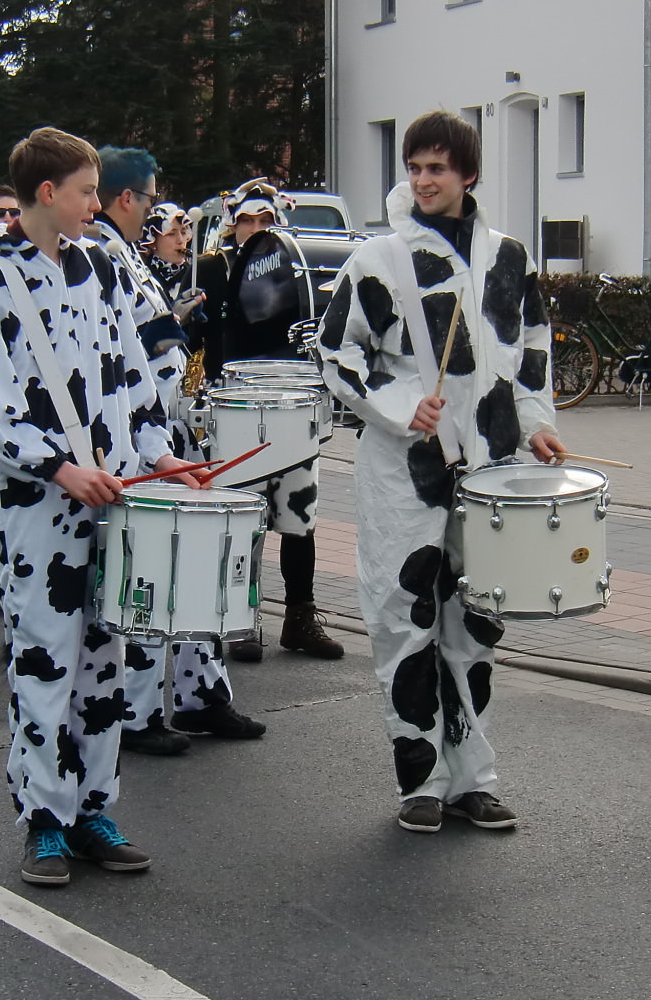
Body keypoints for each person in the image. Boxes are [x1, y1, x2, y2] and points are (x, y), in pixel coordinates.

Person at [0, 126, 207, 887]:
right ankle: (44, 819)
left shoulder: (99, 268)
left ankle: (94, 808)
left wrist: (158, 455)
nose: (98, 205)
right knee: (44, 660)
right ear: (47, 192)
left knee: (104, 657)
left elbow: (131, 374)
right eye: (87, 191)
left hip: (112, 496)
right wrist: (60, 468)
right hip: (35, 508)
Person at [318, 111, 561, 834]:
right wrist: (401, 406)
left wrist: (537, 423)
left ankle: (473, 781)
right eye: (415, 168)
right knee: (405, 620)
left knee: (476, 626)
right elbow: (336, 352)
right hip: (405, 473)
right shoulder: (379, 260)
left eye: (438, 168)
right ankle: (420, 782)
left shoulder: (509, 257)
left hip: (490, 470)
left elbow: (532, 347)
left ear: (468, 175)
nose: (423, 181)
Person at [88, 148, 262, 755]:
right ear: (128, 198)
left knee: (197, 559)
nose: (158, 211)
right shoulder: (100, 256)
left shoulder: (124, 254)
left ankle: (201, 693)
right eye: (151, 197)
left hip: (169, 430)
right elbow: (123, 357)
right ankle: (135, 711)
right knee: (151, 572)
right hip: (141, 442)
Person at [198, 176, 344, 661]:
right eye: (247, 220)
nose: (256, 228)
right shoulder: (214, 268)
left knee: (300, 516)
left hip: (291, 404)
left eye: (266, 220)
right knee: (245, 517)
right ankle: (242, 617)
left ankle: (300, 617)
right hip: (236, 407)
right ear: (231, 223)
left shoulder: (289, 271)